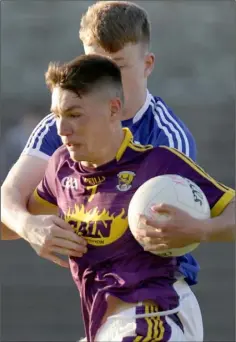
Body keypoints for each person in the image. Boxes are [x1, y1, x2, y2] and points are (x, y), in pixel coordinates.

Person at [1, 1, 234, 279]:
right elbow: (8, 211)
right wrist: (27, 225)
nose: (107, 79)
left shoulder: (166, 139)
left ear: (147, 65)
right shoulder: (59, 125)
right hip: (101, 294)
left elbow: (161, 231)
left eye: (118, 67)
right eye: (96, 66)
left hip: (155, 293)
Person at [27, 55, 235, 342]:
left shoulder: (158, 164)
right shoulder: (60, 167)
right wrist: (29, 226)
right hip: (103, 326)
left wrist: (200, 229)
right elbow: (8, 223)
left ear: (114, 109)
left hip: (156, 318)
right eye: (57, 115)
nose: (62, 129)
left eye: (74, 115)